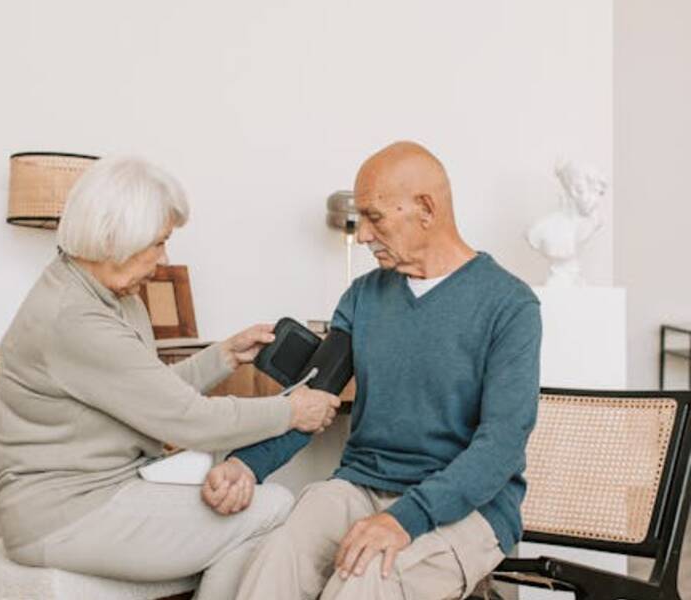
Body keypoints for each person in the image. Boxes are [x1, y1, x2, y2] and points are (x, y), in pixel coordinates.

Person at [203, 141, 542, 600]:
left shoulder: (509, 305)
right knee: (279, 553)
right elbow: (313, 400)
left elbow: (500, 446)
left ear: (426, 208)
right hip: (362, 485)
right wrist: (248, 464)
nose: (362, 235)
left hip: (467, 507)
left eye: (374, 217)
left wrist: (406, 519)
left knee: (364, 578)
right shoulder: (362, 297)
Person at [0, 156, 341, 600]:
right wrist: (293, 410)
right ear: (117, 239)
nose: (164, 259)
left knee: (243, 504)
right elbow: (189, 420)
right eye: (159, 243)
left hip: (106, 495)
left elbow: (146, 391)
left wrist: (223, 357)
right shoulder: (73, 319)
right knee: (272, 508)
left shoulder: (112, 296)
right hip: (64, 518)